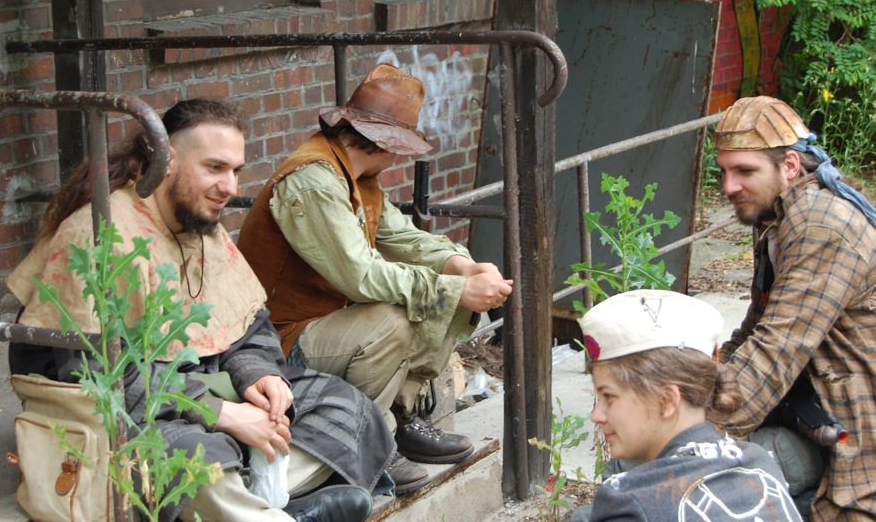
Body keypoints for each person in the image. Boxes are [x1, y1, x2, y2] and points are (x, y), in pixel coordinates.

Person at [6, 99, 395, 522]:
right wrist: (222, 414)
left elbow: (248, 324)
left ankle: (247, 501)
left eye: (236, 170)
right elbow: (99, 378)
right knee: (190, 453)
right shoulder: (100, 233)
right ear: (166, 161)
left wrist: (258, 375)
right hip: (123, 408)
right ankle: (264, 505)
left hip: (203, 384)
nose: (229, 186)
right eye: (214, 168)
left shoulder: (199, 220)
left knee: (347, 407)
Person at [237, 62, 514, 492]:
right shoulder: (313, 182)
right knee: (397, 317)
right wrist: (455, 289)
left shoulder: (359, 177)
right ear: (386, 144)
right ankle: (368, 444)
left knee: (436, 296)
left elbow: (403, 238)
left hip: (323, 326)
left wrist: (460, 265)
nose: (401, 157)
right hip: (276, 344)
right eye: (402, 146)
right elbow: (360, 276)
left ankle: (400, 419)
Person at [713, 95, 876, 520]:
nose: (729, 187)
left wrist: (693, 434)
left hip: (857, 425)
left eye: (744, 171)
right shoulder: (779, 214)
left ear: (789, 165)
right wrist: (700, 383)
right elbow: (755, 329)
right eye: (723, 171)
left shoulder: (820, 224)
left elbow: (776, 349)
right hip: (815, 406)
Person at [571, 289, 802, 521]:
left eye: (609, 397)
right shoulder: (760, 464)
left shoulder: (631, 503)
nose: (597, 415)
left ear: (666, 401)